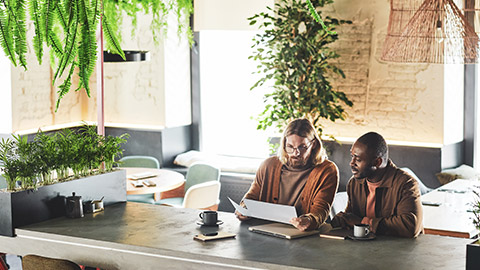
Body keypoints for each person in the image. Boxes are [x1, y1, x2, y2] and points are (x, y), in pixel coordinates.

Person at [235, 118, 339, 231]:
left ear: (313, 144)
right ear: (284, 144)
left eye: (302, 147)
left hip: (300, 234)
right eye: (290, 147)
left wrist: (309, 220)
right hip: (264, 230)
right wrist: (243, 208)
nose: (296, 153)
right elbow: (251, 196)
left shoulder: (327, 170)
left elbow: (321, 210)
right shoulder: (268, 165)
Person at [331, 132, 423, 238]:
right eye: (352, 157)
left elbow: (410, 226)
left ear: (377, 162)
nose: (352, 163)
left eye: (358, 159)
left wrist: (364, 222)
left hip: (402, 251)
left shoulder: (406, 184)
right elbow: (352, 220)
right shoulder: (355, 183)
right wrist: (343, 220)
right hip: (367, 249)